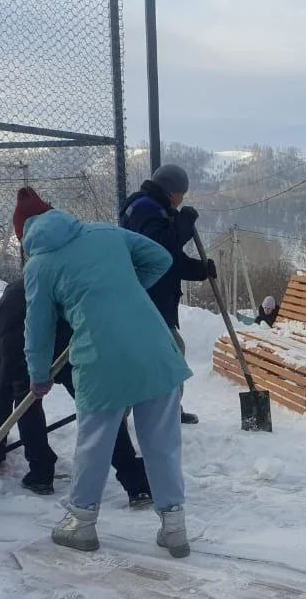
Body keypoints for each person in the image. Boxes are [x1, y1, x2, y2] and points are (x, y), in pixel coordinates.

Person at [16, 187, 192, 557]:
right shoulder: (106, 232)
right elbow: (160, 258)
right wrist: (124, 291)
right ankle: (175, 527)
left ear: (25, 235)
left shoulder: (39, 266)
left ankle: (81, 523)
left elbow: (39, 328)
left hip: (100, 357)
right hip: (155, 348)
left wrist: (39, 375)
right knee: (161, 441)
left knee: (95, 442)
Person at [0, 276, 152, 507]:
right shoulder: (62, 285)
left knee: (25, 399)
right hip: (67, 339)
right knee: (99, 406)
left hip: (53, 339)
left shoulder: (14, 306)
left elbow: (0, 389)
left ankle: (40, 473)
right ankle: (137, 484)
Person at [119, 163, 214, 425]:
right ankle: (156, 412)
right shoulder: (145, 209)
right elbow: (160, 249)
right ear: (172, 192)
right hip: (146, 300)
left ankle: (133, 413)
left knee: (160, 355)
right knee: (168, 354)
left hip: (152, 299)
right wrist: (183, 226)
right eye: (182, 194)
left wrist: (200, 269)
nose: (182, 200)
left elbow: (169, 260)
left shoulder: (150, 208)